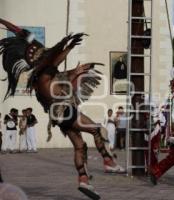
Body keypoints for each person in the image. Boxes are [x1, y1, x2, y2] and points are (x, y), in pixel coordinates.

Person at [0, 18, 124, 199]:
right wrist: (67, 47)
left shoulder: (42, 79)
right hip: (65, 112)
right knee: (98, 130)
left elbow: (61, 74)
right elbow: (54, 59)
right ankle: (108, 161)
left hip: (59, 116)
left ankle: (83, 180)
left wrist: (78, 68)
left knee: (80, 145)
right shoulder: (44, 74)